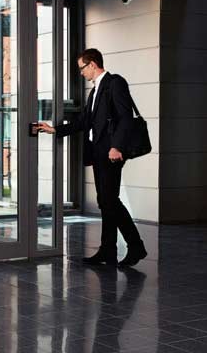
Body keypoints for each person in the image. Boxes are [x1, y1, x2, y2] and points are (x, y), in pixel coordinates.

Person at [37, 48, 147, 267]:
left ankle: (136, 246)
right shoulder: (94, 91)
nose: (81, 73)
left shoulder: (115, 83)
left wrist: (117, 147)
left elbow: (125, 118)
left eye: (82, 68)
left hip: (111, 153)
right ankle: (108, 250)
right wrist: (56, 130)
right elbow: (84, 122)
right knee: (105, 201)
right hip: (98, 153)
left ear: (93, 64)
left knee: (109, 200)